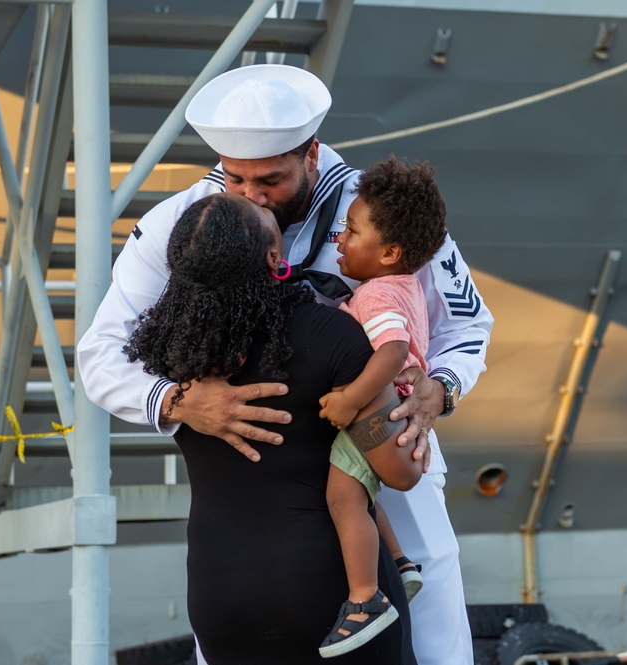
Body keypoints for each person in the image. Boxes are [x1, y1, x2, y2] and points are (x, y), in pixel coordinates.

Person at [77, 64, 494, 665]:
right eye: (235, 178)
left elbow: (466, 323)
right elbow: (99, 354)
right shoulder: (184, 221)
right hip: (252, 472)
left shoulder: (386, 213)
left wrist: (442, 390)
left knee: (429, 626)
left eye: (270, 179)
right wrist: (180, 401)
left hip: (382, 448)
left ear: (312, 154)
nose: (251, 196)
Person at [123, 192, 419, 663]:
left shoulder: (173, 355)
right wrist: (421, 406)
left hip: (219, 596)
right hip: (332, 592)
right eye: (259, 214)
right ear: (274, 258)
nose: (254, 196)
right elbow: (400, 471)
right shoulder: (331, 334)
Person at [317, 157, 447, 658]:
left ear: (389, 251)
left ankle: (365, 598)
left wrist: (351, 399)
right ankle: (401, 562)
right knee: (363, 490)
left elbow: (392, 352)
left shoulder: (375, 295)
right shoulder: (406, 285)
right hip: (401, 422)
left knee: (342, 496)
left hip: (381, 418)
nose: (339, 242)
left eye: (350, 231)